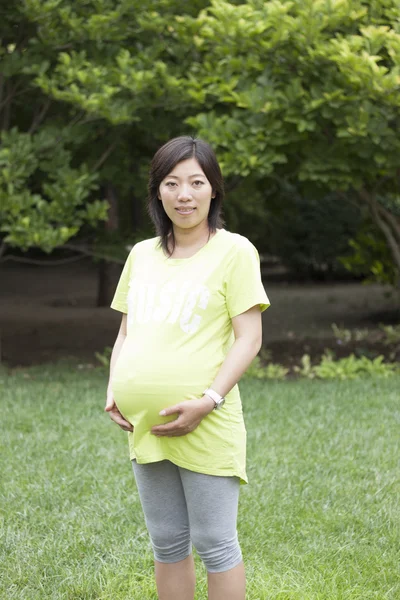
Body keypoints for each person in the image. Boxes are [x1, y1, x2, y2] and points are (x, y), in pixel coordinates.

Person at [105, 136, 270, 600]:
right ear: (158, 191)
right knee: (167, 543)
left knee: (216, 545)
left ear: (213, 189)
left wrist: (208, 401)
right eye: (172, 182)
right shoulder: (141, 255)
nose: (185, 194)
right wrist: (113, 388)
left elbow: (250, 338)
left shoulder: (235, 251)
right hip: (146, 426)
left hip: (208, 421)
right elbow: (124, 333)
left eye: (196, 182)